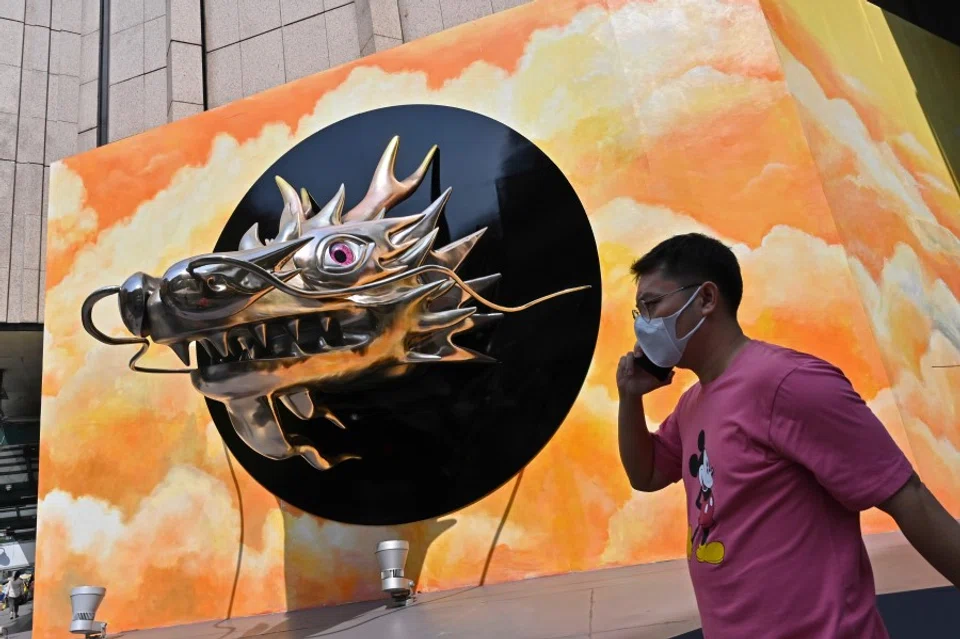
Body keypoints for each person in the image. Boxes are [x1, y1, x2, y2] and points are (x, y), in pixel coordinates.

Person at [616, 233, 960, 638]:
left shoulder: (790, 383)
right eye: (639, 311)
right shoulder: (692, 404)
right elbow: (647, 473)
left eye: (652, 305)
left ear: (706, 298)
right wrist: (630, 397)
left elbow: (909, 499)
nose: (644, 324)